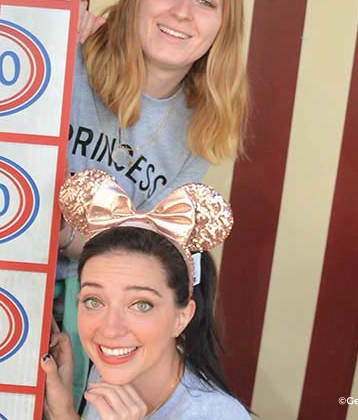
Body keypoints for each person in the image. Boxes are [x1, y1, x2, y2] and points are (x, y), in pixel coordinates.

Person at [58, 0, 283, 398]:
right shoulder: (67, 58)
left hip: (96, 312)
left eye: (206, 1)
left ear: (222, 27)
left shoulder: (201, 126)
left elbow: (148, 254)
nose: (182, 13)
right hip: (5, 271)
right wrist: (41, 40)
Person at [42, 169, 250, 419]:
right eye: (94, 301)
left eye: (141, 305)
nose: (110, 330)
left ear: (182, 318)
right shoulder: (112, 369)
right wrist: (64, 411)